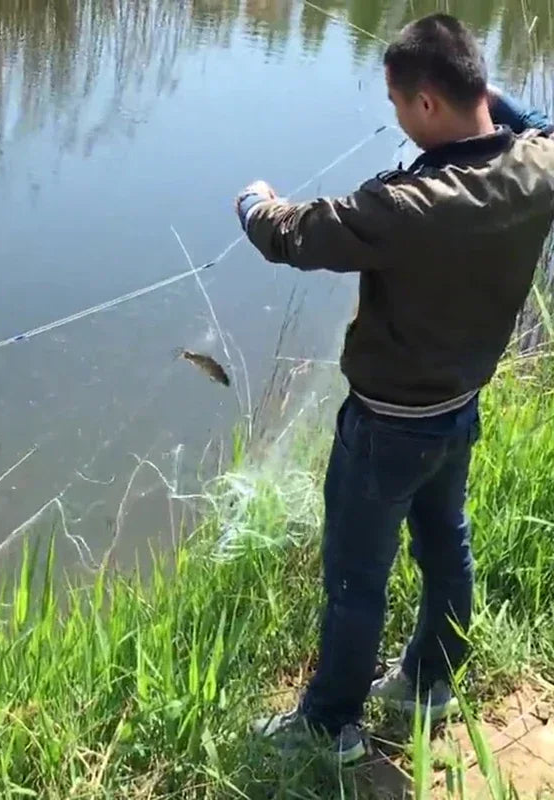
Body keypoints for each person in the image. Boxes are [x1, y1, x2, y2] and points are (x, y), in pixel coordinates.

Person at [235, 13, 554, 763]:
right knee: (447, 542)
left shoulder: (409, 208)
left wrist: (252, 201)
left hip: (386, 426)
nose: (397, 118)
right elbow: (536, 122)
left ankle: (329, 726)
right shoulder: (538, 167)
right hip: (458, 407)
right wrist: (496, 106)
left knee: (355, 575)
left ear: (429, 105)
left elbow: (294, 233)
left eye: (399, 104)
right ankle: (430, 680)